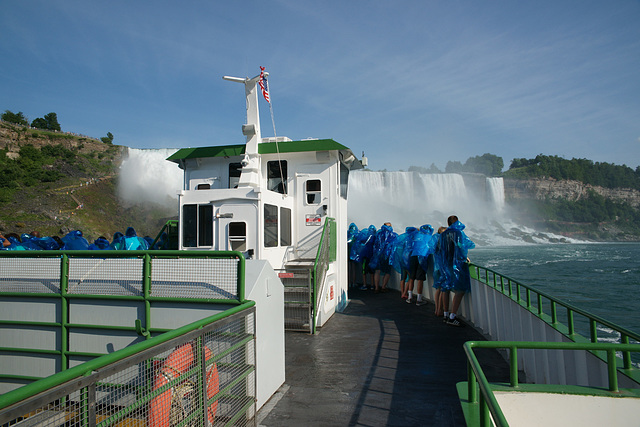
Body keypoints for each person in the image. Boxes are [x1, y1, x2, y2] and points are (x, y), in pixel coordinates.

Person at [434, 215, 475, 326]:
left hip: (445, 265)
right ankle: (452, 317)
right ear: (457, 222)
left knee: (445, 288)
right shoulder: (458, 233)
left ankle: (446, 314)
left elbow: (437, 250)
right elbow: (463, 247)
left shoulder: (442, 235)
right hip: (456, 265)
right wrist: (464, 258)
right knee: (460, 290)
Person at [405, 224, 434, 306]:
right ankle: (419, 299)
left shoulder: (416, 235)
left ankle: (410, 297)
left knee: (411, 277)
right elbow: (432, 248)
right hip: (422, 257)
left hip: (413, 256)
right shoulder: (429, 237)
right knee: (420, 279)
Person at [372, 222, 396, 293]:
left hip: (378, 255)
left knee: (377, 271)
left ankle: (376, 288)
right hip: (387, 255)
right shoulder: (393, 235)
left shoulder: (379, 234)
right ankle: (383, 287)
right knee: (388, 271)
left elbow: (375, 245)